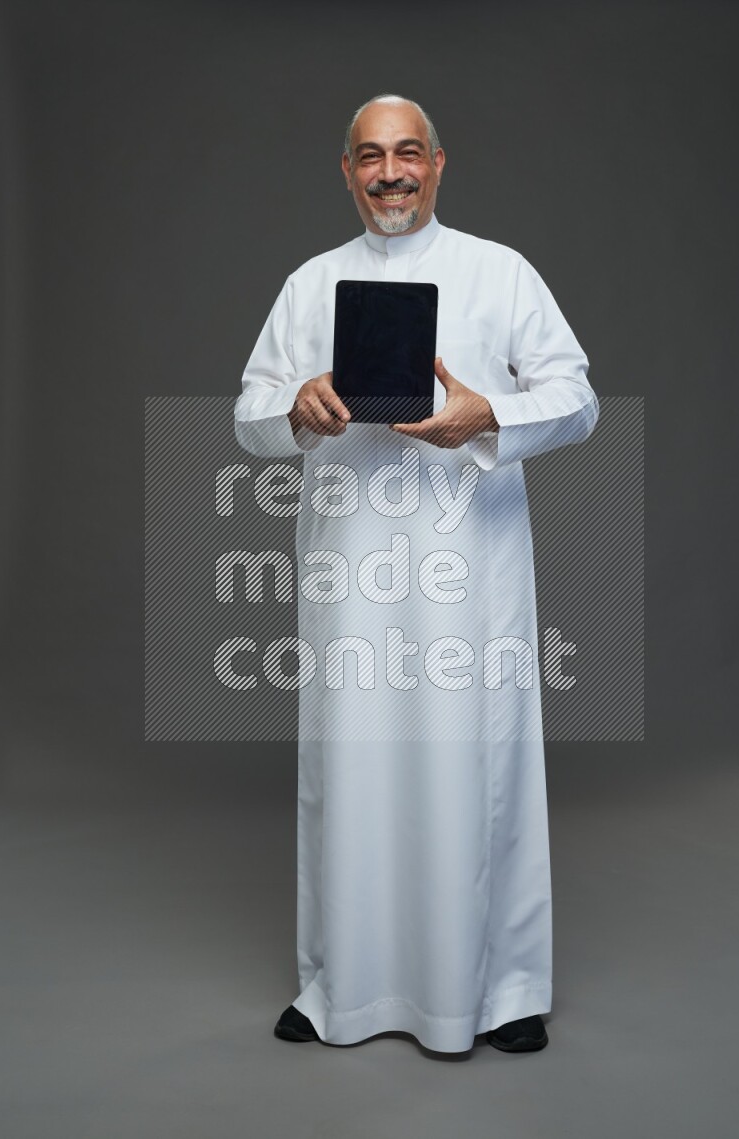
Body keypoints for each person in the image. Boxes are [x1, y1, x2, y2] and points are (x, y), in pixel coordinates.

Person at [234, 93, 599, 1054]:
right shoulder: (312, 283)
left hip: (468, 578)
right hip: (350, 574)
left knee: (481, 763)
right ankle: (338, 985)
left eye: (406, 154)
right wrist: (298, 411)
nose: (389, 173)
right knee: (349, 770)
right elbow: (249, 417)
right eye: (368, 157)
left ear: (439, 163)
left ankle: (506, 986)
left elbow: (578, 398)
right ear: (346, 171)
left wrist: (488, 417)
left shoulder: (500, 272)